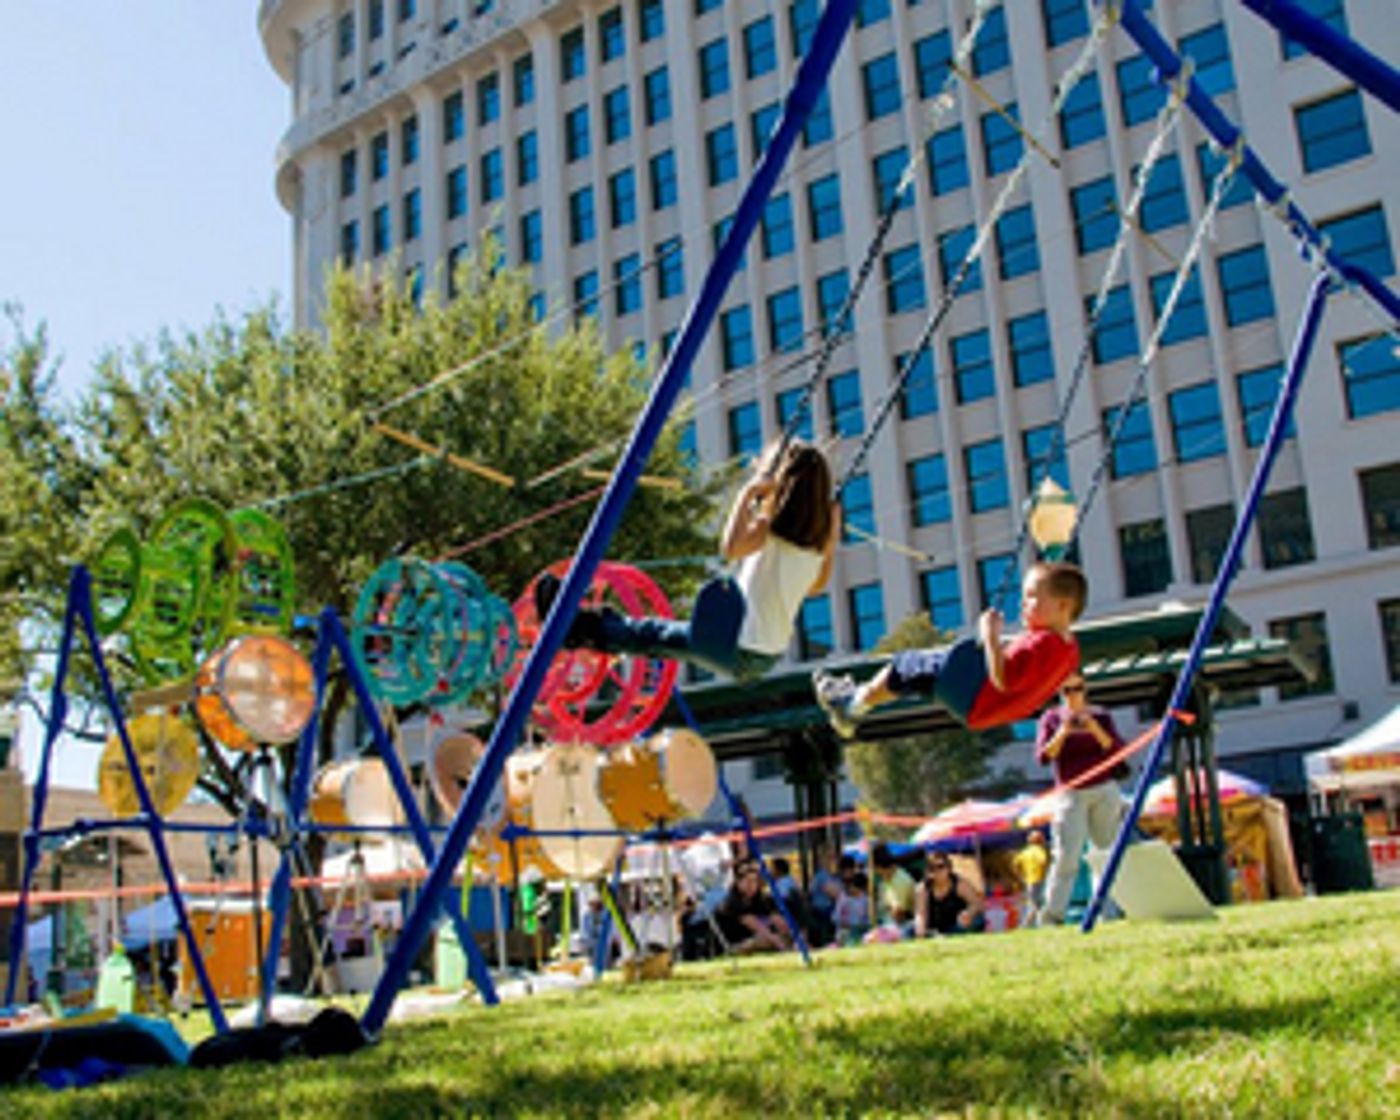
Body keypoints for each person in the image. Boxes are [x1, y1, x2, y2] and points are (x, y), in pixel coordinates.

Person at [535, 440, 840, 682]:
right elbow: (817, 586)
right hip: (763, 656)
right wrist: (832, 537)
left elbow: (730, 548)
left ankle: (574, 628)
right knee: (653, 636)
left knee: (649, 634)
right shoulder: (812, 550)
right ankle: (589, 626)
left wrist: (747, 494)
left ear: (781, 486)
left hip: (737, 646)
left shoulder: (766, 532)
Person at [813, 562, 1086, 739]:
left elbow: (1004, 680)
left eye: (1031, 597)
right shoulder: (1069, 649)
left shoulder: (1043, 643)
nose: (1023, 603)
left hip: (977, 692)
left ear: (1063, 606)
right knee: (915, 677)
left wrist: (991, 636)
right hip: (985, 709)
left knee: (905, 665)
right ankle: (854, 703)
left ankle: (851, 706)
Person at [1035, 673, 1127, 926]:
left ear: (1086, 690)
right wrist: (1063, 732)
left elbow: (1116, 749)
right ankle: (1052, 916)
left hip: (1104, 789)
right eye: (1067, 690)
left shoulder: (1100, 715)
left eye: (1078, 689)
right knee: (1067, 855)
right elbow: (1043, 757)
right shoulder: (1051, 719)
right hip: (1070, 793)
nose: (1073, 695)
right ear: (1060, 693)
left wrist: (1093, 727)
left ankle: (1107, 911)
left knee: (1105, 852)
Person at [715, 859, 791, 953]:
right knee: (765, 940)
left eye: (754, 881)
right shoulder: (733, 905)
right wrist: (781, 945)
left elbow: (775, 918)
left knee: (783, 935)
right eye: (747, 881)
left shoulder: (761, 901)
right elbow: (756, 926)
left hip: (758, 938)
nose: (751, 885)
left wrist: (791, 932)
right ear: (738, 883)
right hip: (736, 944)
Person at [914, 854, 986, 936]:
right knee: (907, 930)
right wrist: (920, 928)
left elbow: (977, 903)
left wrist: (969, 913)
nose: (937, 871)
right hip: (933, 928)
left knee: (977, 922)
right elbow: (920, 914)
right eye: (932, 868)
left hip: (957, 925)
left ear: (949, 868)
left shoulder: (959, 884)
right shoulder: (923, 889)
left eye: (940, 866)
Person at [870, 843, 916, 928]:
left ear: (880, 867)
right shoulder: (885, 881)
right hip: (887, 922)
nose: (877, 873)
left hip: (904, 925)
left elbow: (899, 914)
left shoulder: (901, 880)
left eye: (876, 870)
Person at [1013, 830, 1050, 926]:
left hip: (1028, 881)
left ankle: (1033, 923)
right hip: (1039, 880)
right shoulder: (1039, 850)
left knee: (1034, 903)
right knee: (1037, 904)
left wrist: (1021, 876)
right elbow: (1043, 862)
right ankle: (1026, 924)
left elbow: (1015, 864)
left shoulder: (1024, 852)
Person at [832, 872, 872, 946]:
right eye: (851, 886)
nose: (852, 889)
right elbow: (835, 917)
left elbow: (868, 920)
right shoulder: (843, 898)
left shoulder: (866, 900)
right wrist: (843, 923)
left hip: (860, 929)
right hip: (846, 930)